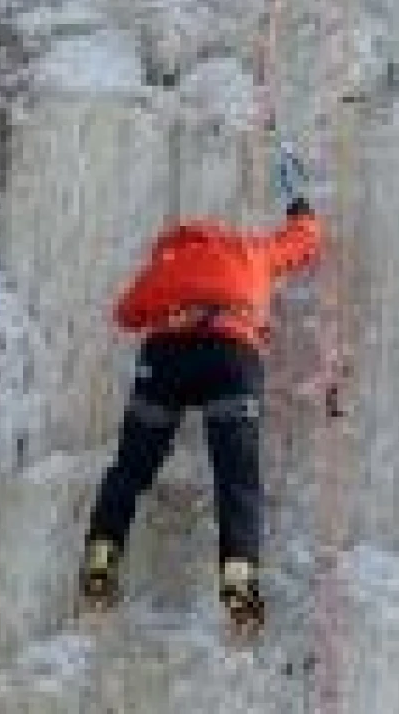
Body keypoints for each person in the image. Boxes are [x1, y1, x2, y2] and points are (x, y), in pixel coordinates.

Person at [81, 149, 322, 630]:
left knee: (130, 468)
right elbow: (304, 242)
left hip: (167, 356)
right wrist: (299, 203)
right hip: (230, 356)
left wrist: (167, 296)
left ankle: (101, 559)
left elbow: (126, 315)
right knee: (236, 477)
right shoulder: (251, 249)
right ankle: (239, 578)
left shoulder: (166, 263)